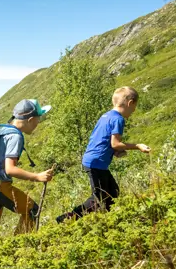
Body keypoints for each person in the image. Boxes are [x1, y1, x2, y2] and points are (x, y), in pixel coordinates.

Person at [0, 99, 55, 256]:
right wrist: (37, 176)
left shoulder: (4, 130)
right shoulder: (15, 136)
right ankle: (17, 253)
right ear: (30, 120)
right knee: (32, 210)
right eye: (38, 119)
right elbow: (10, 169)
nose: (38, 123)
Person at [57, 86, 150, 222]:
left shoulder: (106, 115)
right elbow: (115, 143)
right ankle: (67, 219)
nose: (133, 111)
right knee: (99, 197)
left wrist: (114, 151)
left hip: (94, 160)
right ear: (130, 103)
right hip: (96, 162)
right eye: (134, 107)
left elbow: (102, 139)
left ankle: (111, 221)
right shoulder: (118, 119)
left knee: (113, 192)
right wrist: (138, 146)